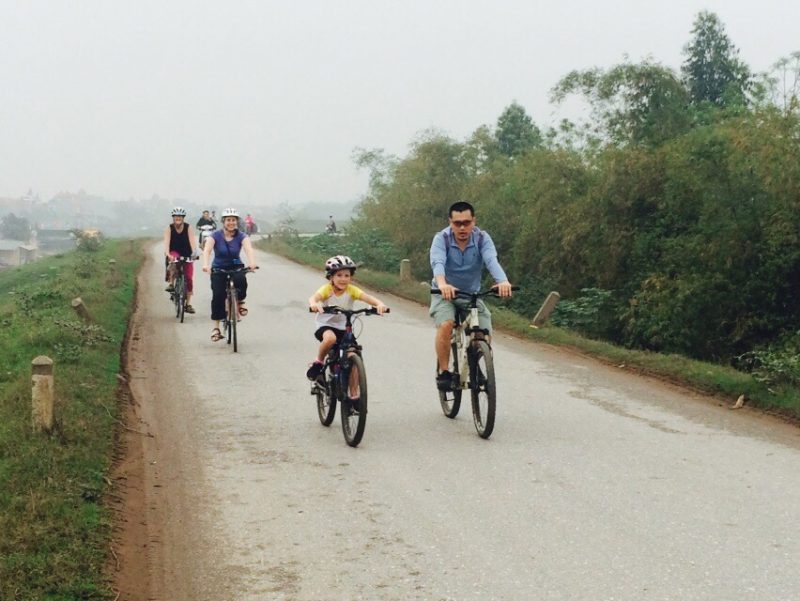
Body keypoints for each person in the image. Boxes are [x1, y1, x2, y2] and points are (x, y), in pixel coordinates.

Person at [430, 200, 513, 391]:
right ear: (450, 222)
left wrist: (503, 281)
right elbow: (438, 264)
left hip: (471, 295)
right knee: (446, 324)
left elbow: (492, 261)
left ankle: (477, 364)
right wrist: (443, 285)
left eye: (466, 222)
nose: (462, 227)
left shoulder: (482, 239)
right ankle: (444, 372)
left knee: (483, 331)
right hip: (445, 293)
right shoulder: (441, 239)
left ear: (473, 221)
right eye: (457, 223)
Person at [306, 255, 387, 380]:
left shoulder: (351, 290)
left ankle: (354, 394)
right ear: (331, 277)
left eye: (347, 275)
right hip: (326, 325)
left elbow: (367, 297)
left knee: (353, 354)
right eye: (339, 275)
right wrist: (314, 304)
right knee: (330, 339)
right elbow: (314, 298)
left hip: (344, 327)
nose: (343, 279)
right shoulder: (327, 290)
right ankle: (319, 362)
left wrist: (379, 304)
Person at [201, 207, 258, 342]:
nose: (231, 223)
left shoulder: (242, 236)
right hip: (218, 268)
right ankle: (216, 327)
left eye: (233, 220)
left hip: (236, 266)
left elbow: (248, 249)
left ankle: (240, 301)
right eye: (228, 220)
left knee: (241, 280)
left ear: (237, 222)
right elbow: (207, 250)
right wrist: (205, 264)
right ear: (223, 222)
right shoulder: (215, 235)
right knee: (218, 295)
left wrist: (252, 263)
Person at [163, 207, 198, 313]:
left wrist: (194, 253)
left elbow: (192, 242)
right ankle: (172, 284)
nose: (178, 218)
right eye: (176, 217)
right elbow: (166, 243)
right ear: (173, 218)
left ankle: (188, 304)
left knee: (189, 278)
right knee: (174, 262)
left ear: (183, 218)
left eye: (180, 217)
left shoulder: (188, 228)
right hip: (174, 252)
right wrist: (168, 254)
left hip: (187, 253)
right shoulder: (169, 228)